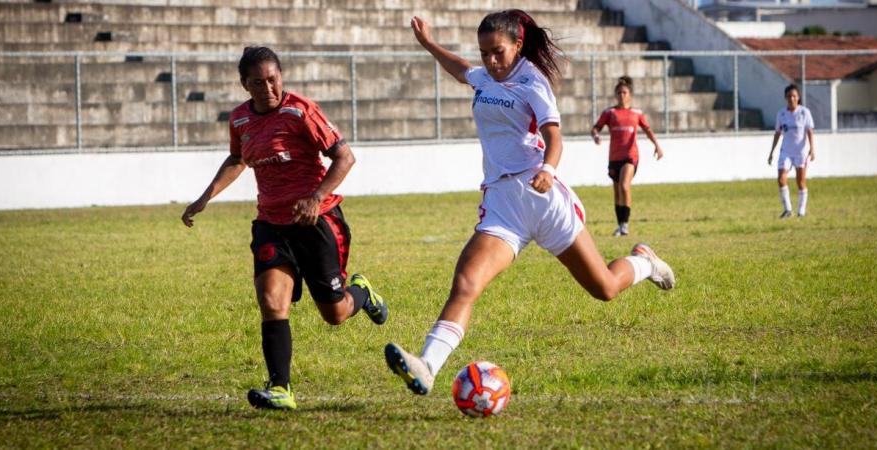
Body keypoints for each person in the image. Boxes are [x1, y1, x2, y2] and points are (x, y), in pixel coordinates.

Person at [384, 11, 676, 396]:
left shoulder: (533, 82)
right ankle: (427, 366)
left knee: (604, 287)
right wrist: (428, 44)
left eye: (498, 52)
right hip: (503, 203)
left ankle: (644, 262)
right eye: (485, 52)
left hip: (543, 198)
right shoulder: (485, 76)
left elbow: (555, 137)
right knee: (466, 283)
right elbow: (462, 70)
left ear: (517, 45)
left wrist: (549, 170)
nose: (490, 60)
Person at [181, 46, 389, 410]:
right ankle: (281, 387)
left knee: (335, 314)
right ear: (245, 85)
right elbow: (238, 158)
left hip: (316, 222)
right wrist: (205, 197)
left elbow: (345, 156)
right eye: (258, 82)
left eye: (273, 79)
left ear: (281, 77)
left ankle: (362, 292)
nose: (268, 88)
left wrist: (315, 196)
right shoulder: (240, 120)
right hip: (271, 224)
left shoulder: (301, 111)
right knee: (271, 301)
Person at [590, 76, 664, 236]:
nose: (621, 95)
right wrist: (596, 135)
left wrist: (657, 145)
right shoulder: (610, 112)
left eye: (624, 92)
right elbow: (596, 128)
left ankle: (625, 226)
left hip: (631, 156)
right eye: (619, 92)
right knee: (617, 191)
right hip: (614, 157)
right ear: (615, 95)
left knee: (624, 185)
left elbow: (647, 130)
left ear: (630, 94)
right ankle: (621, 225)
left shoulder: (636, 113)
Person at [767, 84, 815, 218]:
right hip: (785, 152)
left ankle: (801, 212)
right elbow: (778, 133)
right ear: (785, 98)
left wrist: (812, 149)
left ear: (798, 98)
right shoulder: (781, 114)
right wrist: (772, 152)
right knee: (781, 179)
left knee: (801, 182)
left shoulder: (804, 112)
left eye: (794, 96)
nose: (791, 99)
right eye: (789, 96)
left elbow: (809, 131)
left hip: (801, 152)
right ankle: (788, 210)